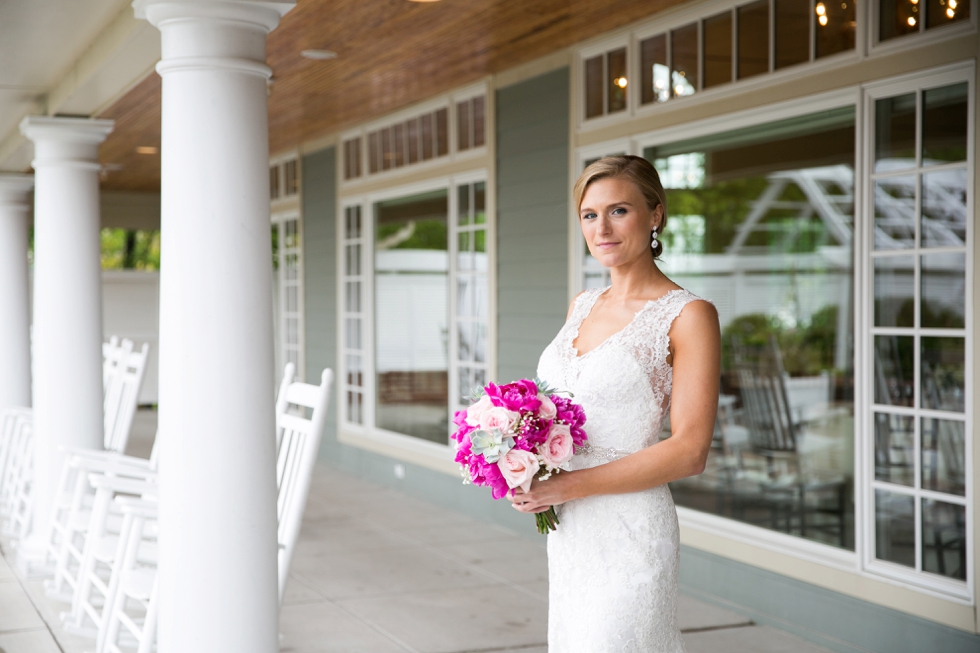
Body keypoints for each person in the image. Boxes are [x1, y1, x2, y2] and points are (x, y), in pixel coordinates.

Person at [508, 155, 720, 652]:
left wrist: (567, 487)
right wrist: (518, 457)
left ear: (655, 215)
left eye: (619, 210)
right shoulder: (581, 305)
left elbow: (690, 450)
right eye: (589, 214)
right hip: (571, 531)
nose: (601, 227)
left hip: (630, 527)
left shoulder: (689, 315)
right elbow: (556, 411)